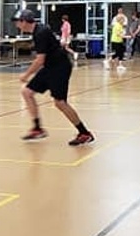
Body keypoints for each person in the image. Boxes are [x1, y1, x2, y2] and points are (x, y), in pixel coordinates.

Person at [15, 9, 94, 146]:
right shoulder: (37, 31)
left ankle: (84, 133)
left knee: (60, 103)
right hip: (50, 67)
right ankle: (37, 128)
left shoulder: (40, 32)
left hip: (60, 68)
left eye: (18, 22)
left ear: (24, 21)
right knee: (27, 92)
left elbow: (40, 60)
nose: (16, 25)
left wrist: (26, 75)